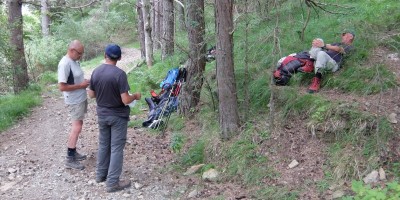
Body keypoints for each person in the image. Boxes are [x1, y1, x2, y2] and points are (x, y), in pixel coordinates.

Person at [87, 44, 141, 193]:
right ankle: (112, 183)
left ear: (105, 55)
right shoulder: (120, 74)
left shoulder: (96, 71)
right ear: (120, 57)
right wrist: (135, 96)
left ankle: (100, 175)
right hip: (118, 116)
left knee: (104, 145)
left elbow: (91, 94)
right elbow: (125, 100)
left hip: (102, 115)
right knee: (116, 148)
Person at [57, 40, 89, 170]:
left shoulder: (74, 61)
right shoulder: (64, 64)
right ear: (71, 50)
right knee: (76, 127)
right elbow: (62, 87)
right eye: (79, 53)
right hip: (74, 100)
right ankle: (70, 157)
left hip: (80, 98)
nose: (80, 56)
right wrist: (80, 86)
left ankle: (73, 151)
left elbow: (75, 78)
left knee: (79, 125)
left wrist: (84, 82)